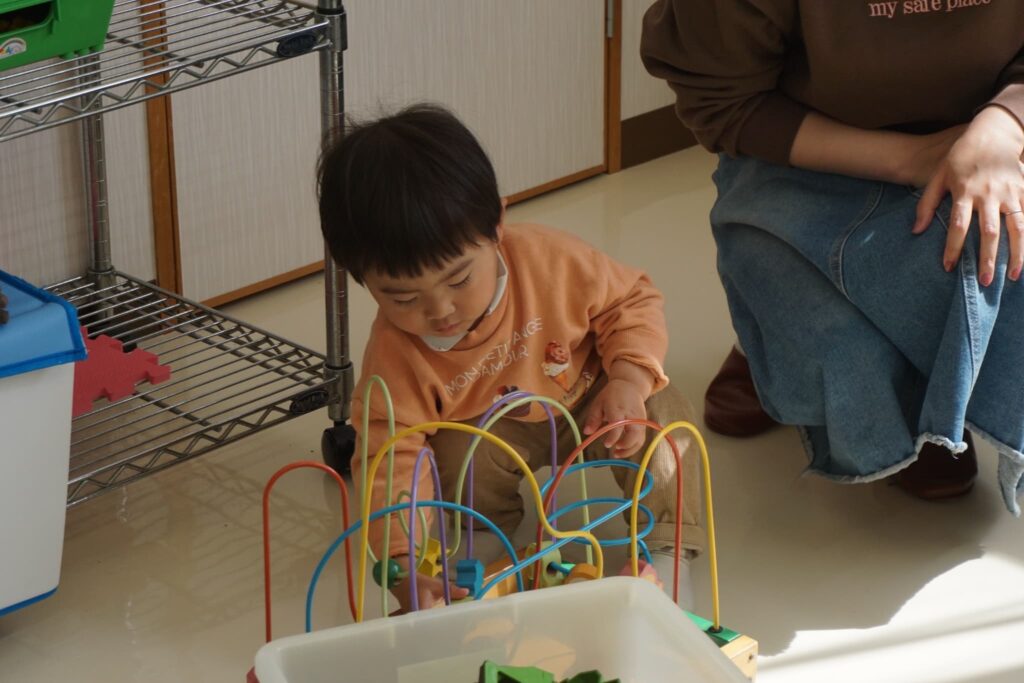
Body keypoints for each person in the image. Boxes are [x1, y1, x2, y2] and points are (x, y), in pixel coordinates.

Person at [317, 104, 703, 612]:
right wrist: (403, 563)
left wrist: (628, 381)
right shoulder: (395, 353)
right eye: (403, 298)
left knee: (665, 418)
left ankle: (669, 550)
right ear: (359, 278)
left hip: (596, 400)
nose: (440, 311)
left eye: (459, 279)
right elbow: (388, 455)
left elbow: (631, 300)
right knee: (454, 456)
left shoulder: (550, 259)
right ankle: (485, 535)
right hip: (493, 434)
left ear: (497, 225)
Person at [641, 1, 1024, 508]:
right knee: (821, 318)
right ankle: (772, 347)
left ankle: (933, 399)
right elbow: (724, 102)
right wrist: (909, 157)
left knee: (995, 255)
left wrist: (1004, 124)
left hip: (990, 131)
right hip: (809, 148)